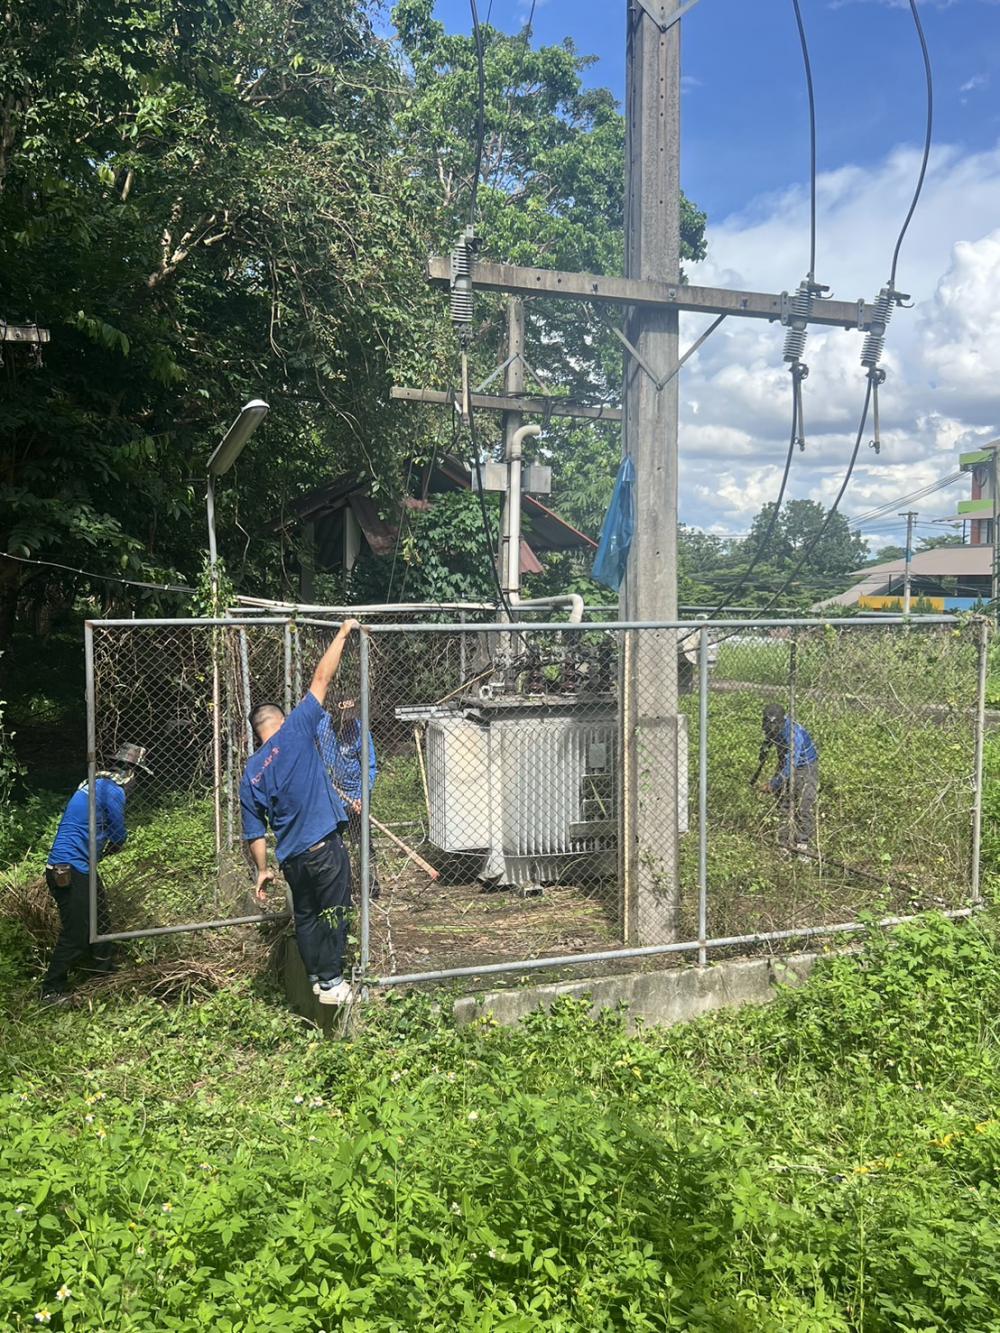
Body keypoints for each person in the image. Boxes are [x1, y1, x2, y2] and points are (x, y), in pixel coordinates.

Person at [240, 619, 361, 1007]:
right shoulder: (295, 730)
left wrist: (262, 870)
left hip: (291, 857)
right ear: (280, 719)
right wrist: (342, 634)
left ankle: (316, 979)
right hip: (323, 846)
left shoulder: (251, 772)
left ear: (257, 732)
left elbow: (254, 832)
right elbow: (322, 678)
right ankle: (333, 981)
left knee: (306, 915)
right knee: (335, 908)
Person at [42, 742, 151, 1004]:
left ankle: (102, 968)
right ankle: (51, 989)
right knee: (77, 932)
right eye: (138, 778)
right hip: (70, 868)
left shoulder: (94, 783)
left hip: (79, 866)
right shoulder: (113, 790)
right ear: (132, 772)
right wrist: (113, 847)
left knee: (100, 917)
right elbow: (118, 833)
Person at [322, 697, 380, 901]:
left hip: (355, 796)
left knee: (362, 842)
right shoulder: (321, 727)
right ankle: (337, 887)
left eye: (351, 712)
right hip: (330, 794)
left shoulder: (360, 731)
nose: (348, 718)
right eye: (344, 713)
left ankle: (370, 886)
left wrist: (363, 796)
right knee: (332, 843)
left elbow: (369, 767)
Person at [760, 703, 819, 852]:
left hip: (804, 766)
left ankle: (803, 846)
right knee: (783, 804)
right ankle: (784, 843)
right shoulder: (769, 726)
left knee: (803, 804)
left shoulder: (794, 734)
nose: (771, 729)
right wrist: (764, 752)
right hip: (784, 761)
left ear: (782, 721)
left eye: (774, 726)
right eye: (769, 725)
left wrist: (774, 784)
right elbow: (768, 740)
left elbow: (791, 763)